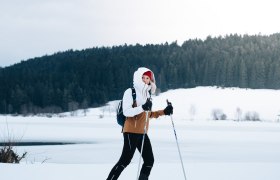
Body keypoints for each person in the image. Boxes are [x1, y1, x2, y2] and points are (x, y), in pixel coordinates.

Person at [106, 67, 173, 180]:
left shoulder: (147, 95)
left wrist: (164, 112)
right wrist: (142, 107)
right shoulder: (130, 92)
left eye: (147, 78)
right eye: (142, 77)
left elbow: (148, 115)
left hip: (142, 132)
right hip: (130, 132)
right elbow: (127, 112)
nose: (145, 80)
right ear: (138, 78)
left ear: (150, 80)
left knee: (149, 160)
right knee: (125, 161)